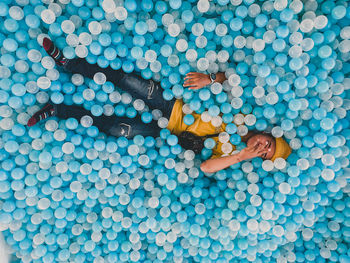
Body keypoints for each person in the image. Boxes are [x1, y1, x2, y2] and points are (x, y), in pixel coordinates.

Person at [28, 38, 292, 173]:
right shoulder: (246, 116)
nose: (264, 147)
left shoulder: (232, 153)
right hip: (174, 105)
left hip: (168, 134)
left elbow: (205, 167)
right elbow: (235, 80)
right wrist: (210, 79)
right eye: (270, 143)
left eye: (266, 154)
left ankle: (58, 110)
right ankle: (68, 65)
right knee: (127, 81)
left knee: (116, 128)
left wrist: (240, 156)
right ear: (269, 133)